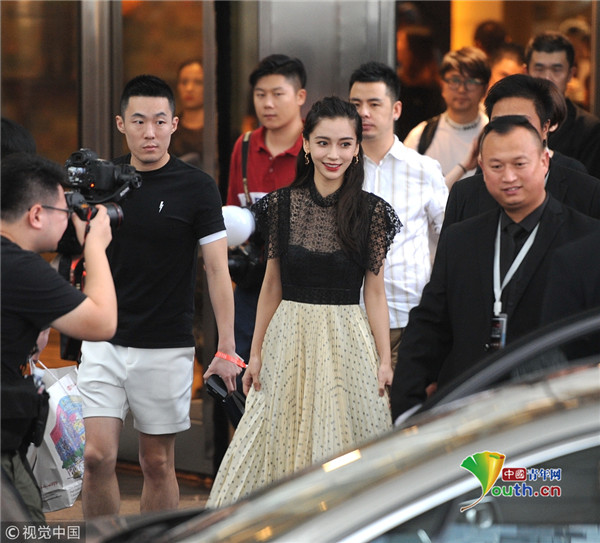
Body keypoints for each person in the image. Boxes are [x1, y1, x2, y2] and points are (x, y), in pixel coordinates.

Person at [207, 96, 402, 508]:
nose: (335, 154)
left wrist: (384, 360)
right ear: (307, 145)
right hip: (288, 337)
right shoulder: (282, 206)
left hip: (348, 341)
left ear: (357, 148)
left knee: (346, 445)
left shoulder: (372, 213)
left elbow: (375, 292)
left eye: (345, 144)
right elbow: (271, 285)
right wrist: (255, 353)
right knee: (269, 437)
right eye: (324, 142)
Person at [78, 74, 239, 518]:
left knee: (156, 462)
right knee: (96, 457)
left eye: (159, 121)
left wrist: (226, 347)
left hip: (166, 343)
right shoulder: (101, 183)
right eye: (138, 121)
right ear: (120, 124)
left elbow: (216, 269)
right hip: (104, 338)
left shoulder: (197, 186)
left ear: (174, 124)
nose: (149, 132)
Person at [390, 116, 599, 421]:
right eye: (497, 166)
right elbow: (429, 326)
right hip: (468, 409)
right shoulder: (460, 239)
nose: (508, 176)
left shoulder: (587, 239)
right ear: (481, 168)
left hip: (552, 415)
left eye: (519, 164)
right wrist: (407, 410)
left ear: (544, 162)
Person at [1, 154, 117, 521]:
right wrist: (94, 246)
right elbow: (102, 322)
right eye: (64, 210)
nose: (69, 219)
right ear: (36, 215)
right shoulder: (20, 267)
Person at [348, 61, 447, 370]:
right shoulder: (338, 169)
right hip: (350, 317)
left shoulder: (423, 169)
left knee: (403, 398)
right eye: (355, 104)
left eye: (374, 104)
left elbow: (450, 237)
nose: (363, 113)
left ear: (396, 109)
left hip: (409, 315)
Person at [226, 54, 307, 366]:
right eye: (260, 95)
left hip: (301, 284)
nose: (267, 104)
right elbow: (233, 211)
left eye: (277, 94)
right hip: (253, 283)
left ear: (300, 96)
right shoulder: (245, 145)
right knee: (244, 364)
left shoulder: (315, 146)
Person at [443, 74, 600, 230]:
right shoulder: (464, 195)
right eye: (499, 123)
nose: (510, 132)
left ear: (545, 128)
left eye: (523, 123)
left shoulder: (585, 191)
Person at [404, 46, 490, 187]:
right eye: (455, 80)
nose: (462, 89)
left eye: (471, 81)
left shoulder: (493, 133)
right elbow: (405, 190)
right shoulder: (421, 136)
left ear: (485, 89)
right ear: (442, 84)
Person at [526, 30, 600, 178]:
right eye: (539, 69)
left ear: (571, 74)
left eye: (556, 69)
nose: (547, 78)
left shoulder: (588, 129)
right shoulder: (511, 121)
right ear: (526, 71)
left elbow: (588, 187)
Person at [394, 25, 445, 141]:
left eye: (401, 42)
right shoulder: (397, 81)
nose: (397, 46)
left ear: (413, 49)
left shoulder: (434, 88)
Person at [170, 58, 204, 167]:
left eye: (198, 82)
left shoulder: (221, 131)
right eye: (184, 82)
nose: (189, 88)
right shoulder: (168, 129)